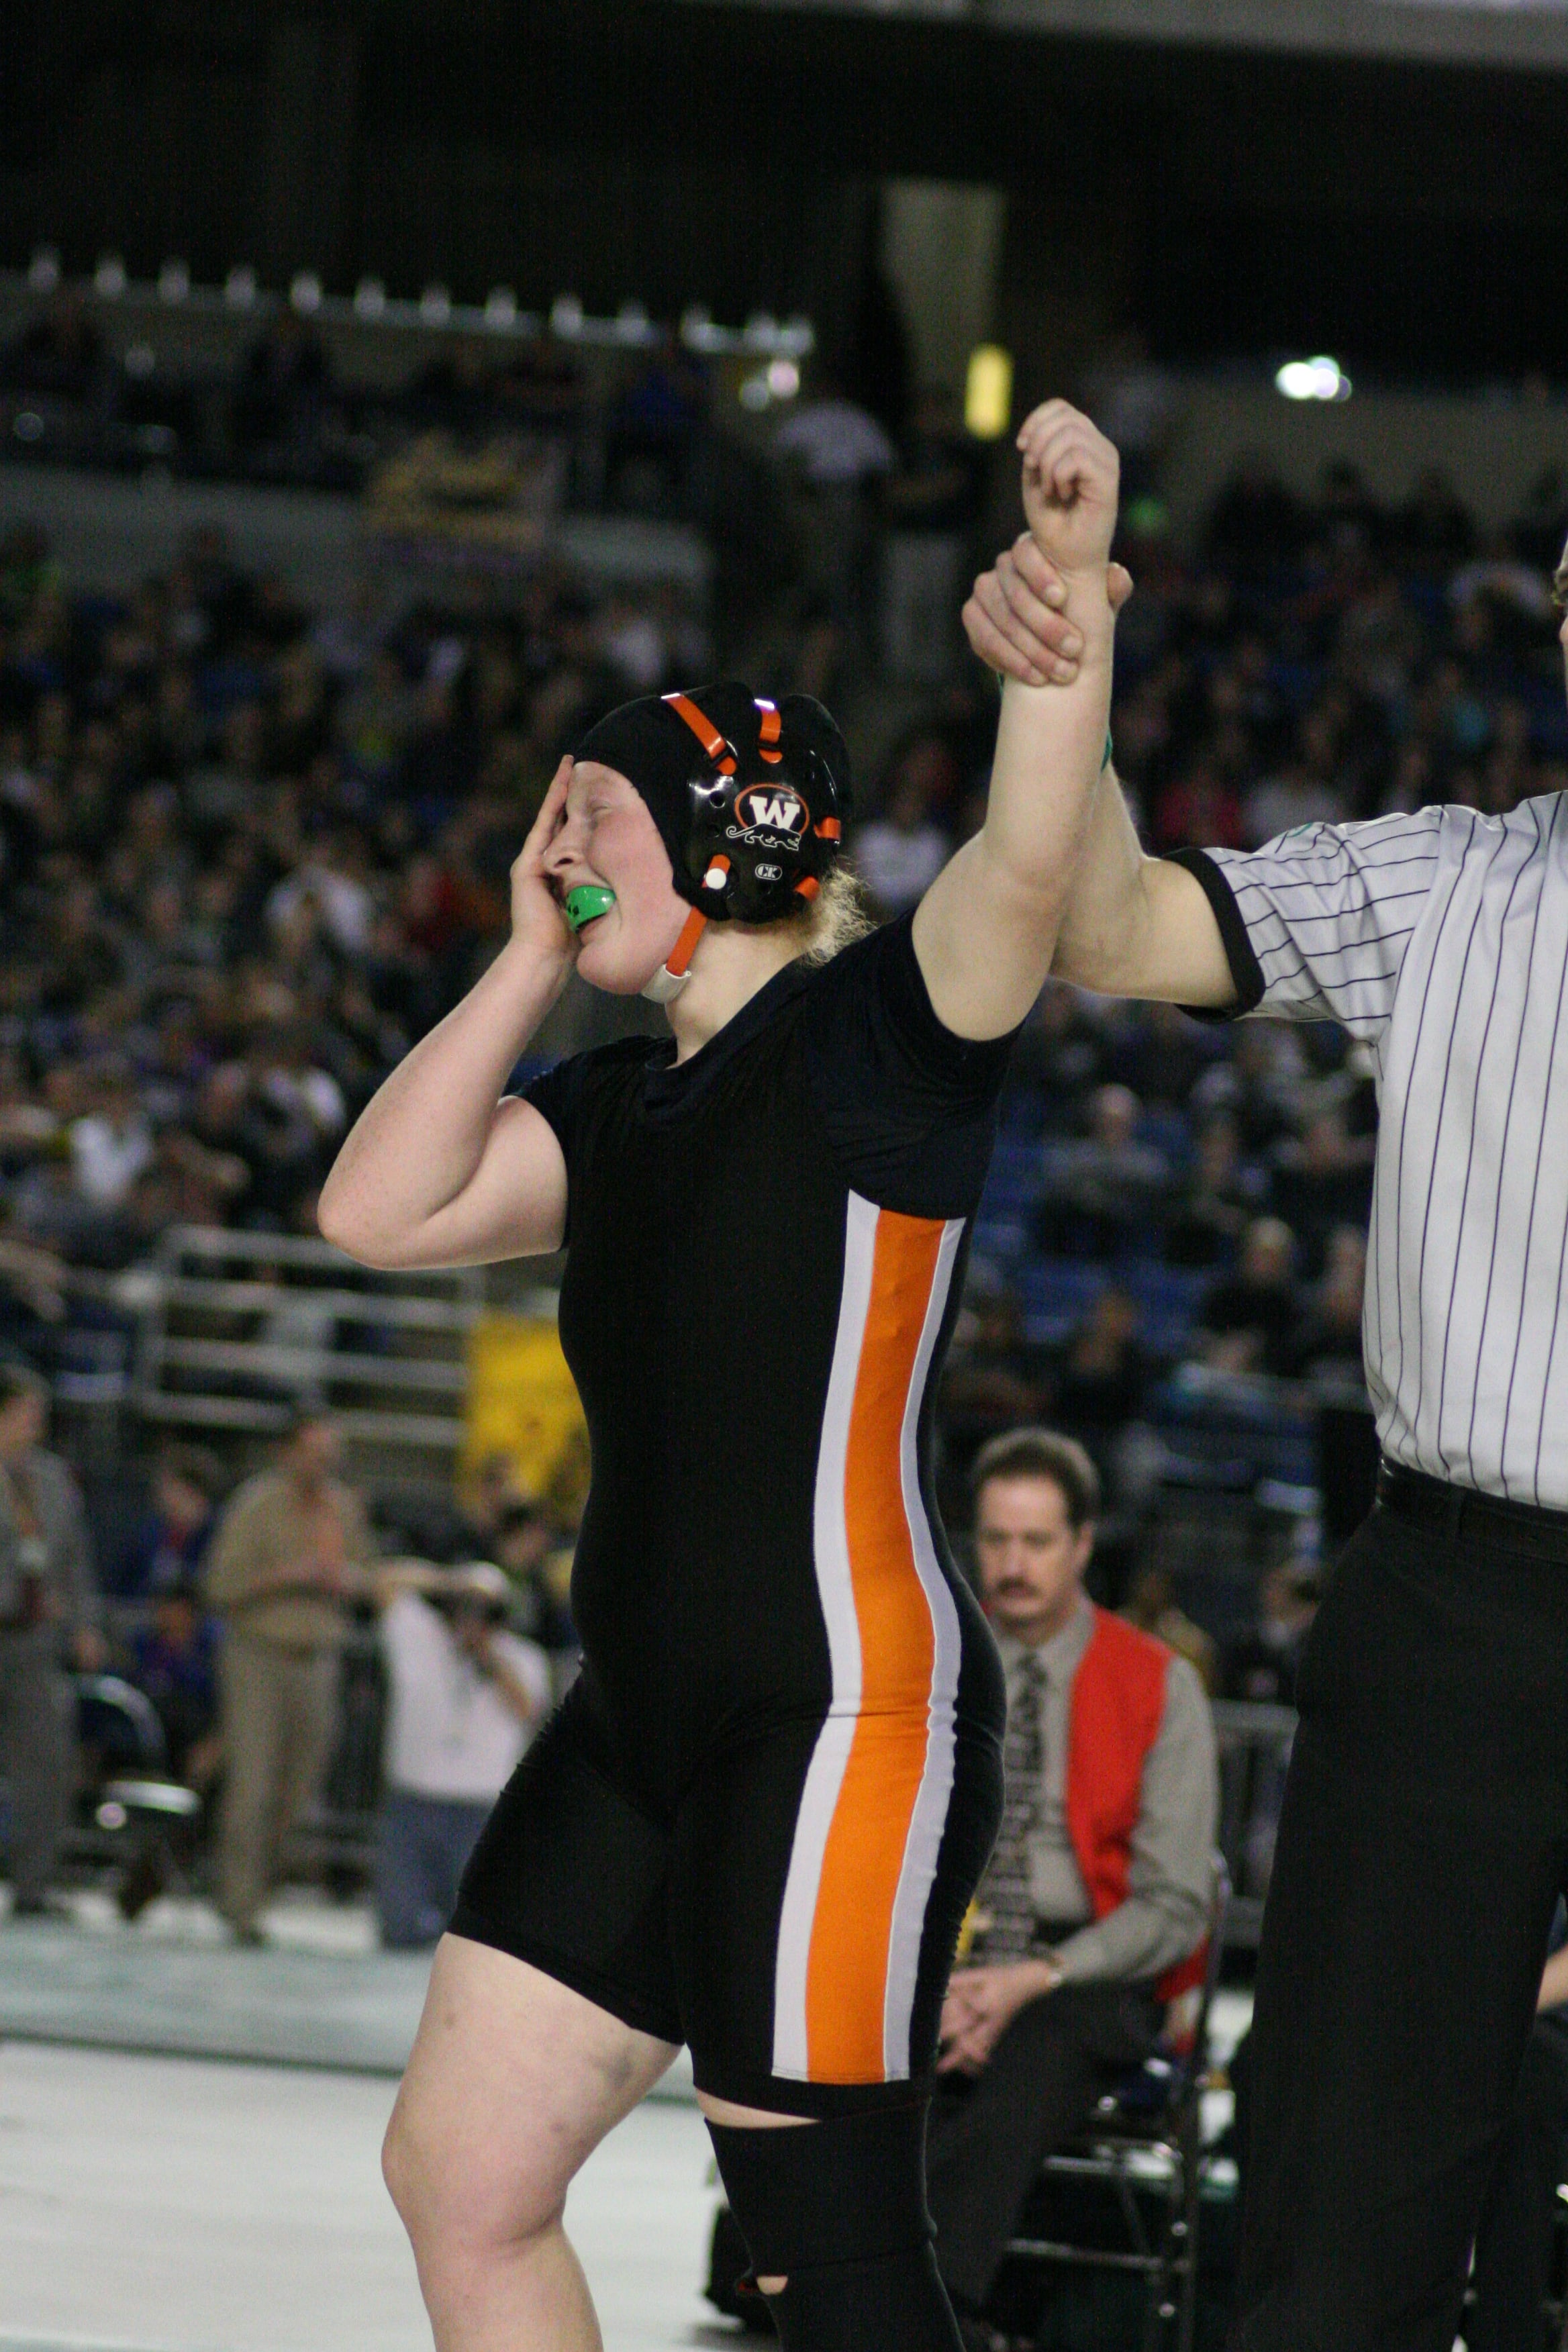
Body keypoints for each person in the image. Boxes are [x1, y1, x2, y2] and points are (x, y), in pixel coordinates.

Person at [315, 399, 1123, 2352]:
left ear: (701, 843)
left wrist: (1070, 614)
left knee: (826, 2252)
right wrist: (519, 957)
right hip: (646, 1716)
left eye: (582, 817)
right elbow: (376, 1208)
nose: (553, 846)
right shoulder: (613, 1104)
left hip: (835, 1713)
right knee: (464, 2175)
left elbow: (1025, 865)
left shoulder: (875, 1040)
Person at [964, 503, 1568, 2349]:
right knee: (1341, 2213)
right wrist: (1067, 678)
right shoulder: (1449, 884)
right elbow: (1110, 922)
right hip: (1461, 1604)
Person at [924, 1428, 1216, 2338]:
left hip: (1089, 1969)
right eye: (997, 1540)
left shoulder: (1158, 1684)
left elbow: (1175, 1905)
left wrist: (1025, 1980)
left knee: (1035, 2049)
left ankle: (923, 2316)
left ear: (1083, 1545)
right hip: (939, 1953)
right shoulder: (927, 1666)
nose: (1013, 1565)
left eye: (1038, 1542)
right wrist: (938, 1982)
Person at [202, 1412, 373, 1943]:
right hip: (260, 1655)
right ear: (288, 1452)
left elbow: (369, 1575)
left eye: (331, 1456)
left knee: (298, 1792)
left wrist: (346, 1579)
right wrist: (287, 1576)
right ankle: (240, 1905)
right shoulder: (257, 1506)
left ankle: (259, 1889)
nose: (324, 1466)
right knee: (253, 1784)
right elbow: (219, 1584)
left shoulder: (343, 1509)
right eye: (314, 1454)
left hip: (318, 1660)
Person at [374, 1561, 550, 1949]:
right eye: (464, 1606)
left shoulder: (522, 1657)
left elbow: (528, 1710)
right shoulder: (419, 1637)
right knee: (400, 1932)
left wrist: (486, 1655)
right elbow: (385, 1580)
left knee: (471, 1937)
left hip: (478, 1812)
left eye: (484, 1609)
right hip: (412, 1802)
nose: (472, 1617)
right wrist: (448, 1581)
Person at [0, 1363, 103, 1917]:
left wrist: (85, 1622)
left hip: (35, 1642)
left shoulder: (52, 1480)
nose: (34, 1426)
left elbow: (74, 1558)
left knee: (47, 1763)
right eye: (25, 1415)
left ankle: (34, 1886)